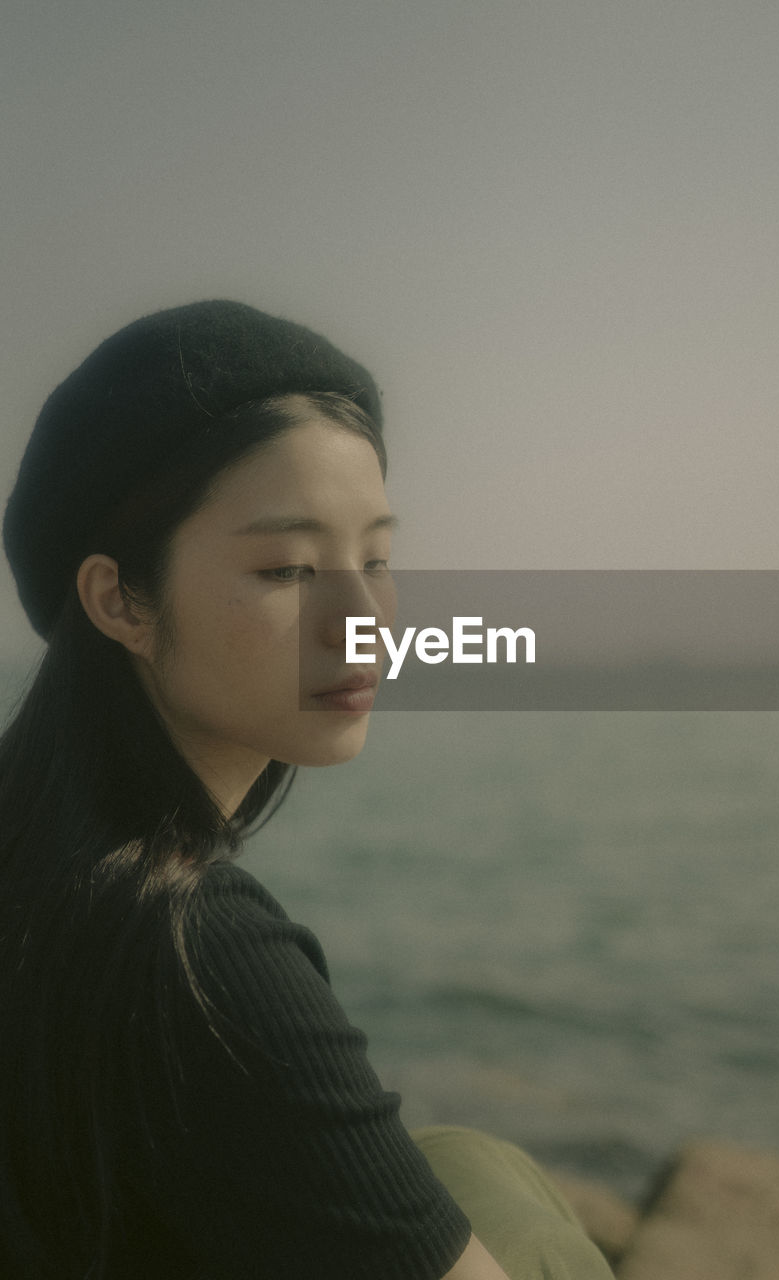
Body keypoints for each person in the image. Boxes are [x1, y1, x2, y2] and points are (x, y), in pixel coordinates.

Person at [0, 300, 614, 1279]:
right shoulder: (192, 949)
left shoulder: (36, 834)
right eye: (287, 565)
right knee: (507, 1197)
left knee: (463, 1158)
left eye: (374, 558)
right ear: (119, 598)